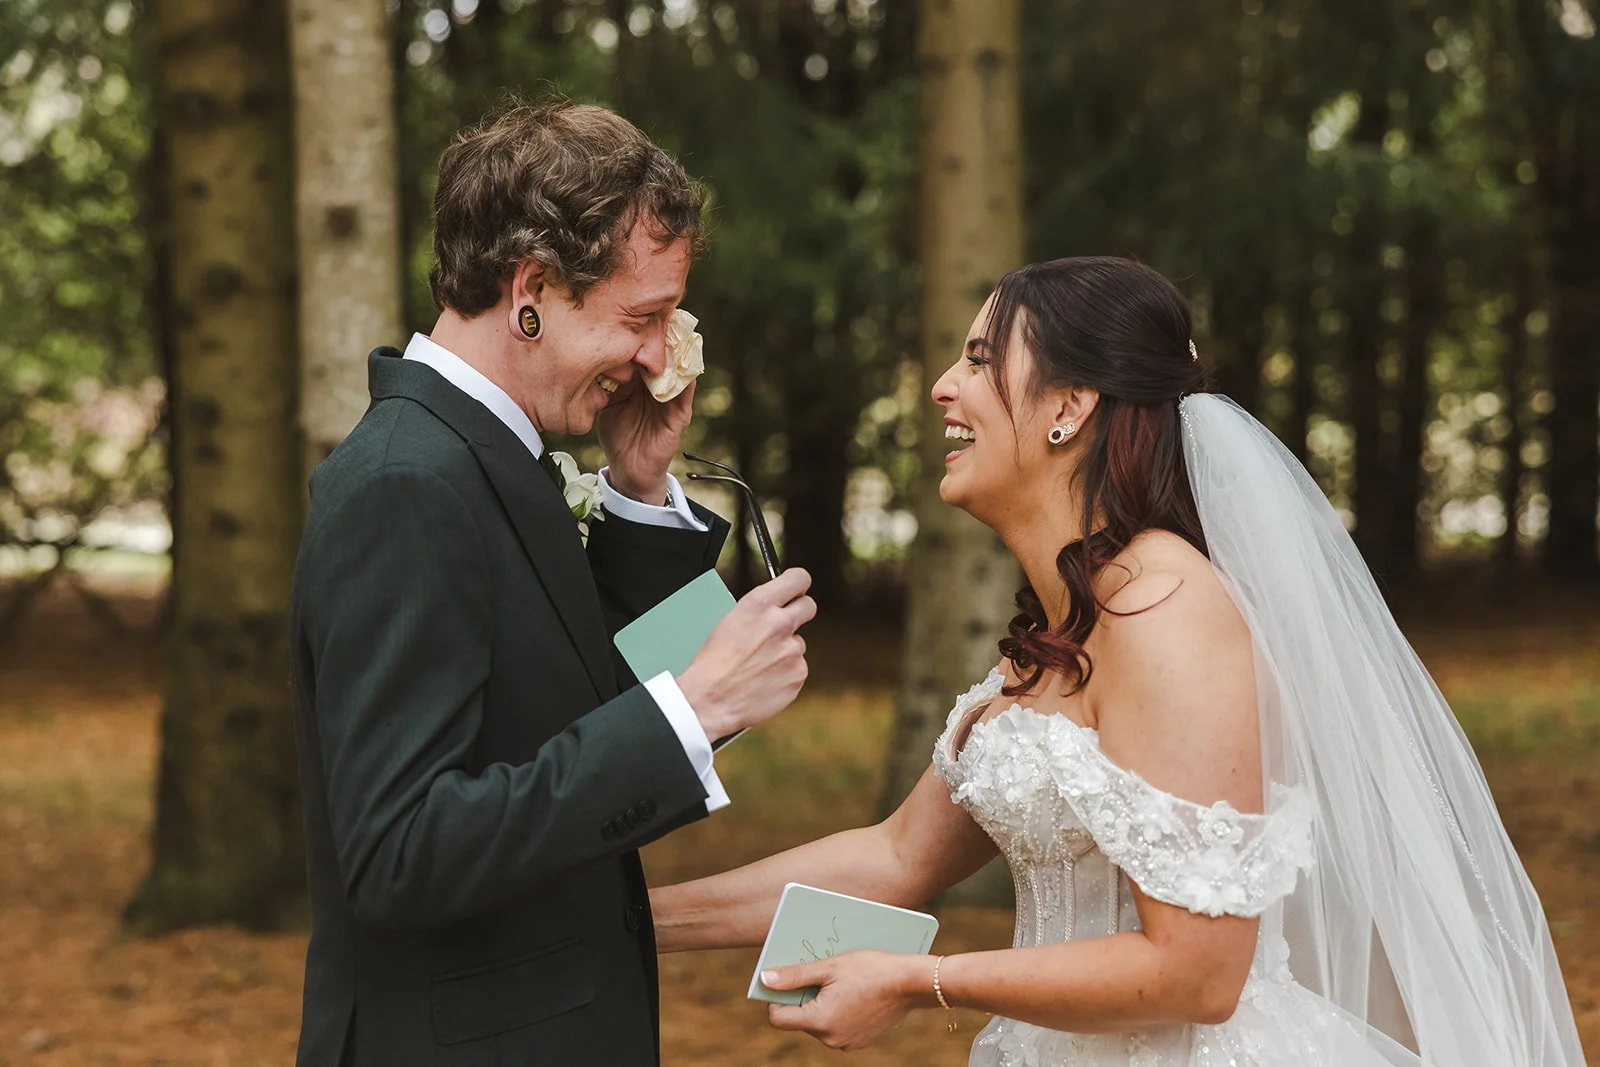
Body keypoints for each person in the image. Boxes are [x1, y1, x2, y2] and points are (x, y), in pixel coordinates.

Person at [650, 257, 1586, 1066]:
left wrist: (919, 978)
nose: (942, 386)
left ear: (1069, 406)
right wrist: (630, 918)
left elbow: (1199, 968)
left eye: (979, 359)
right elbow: (896, 857)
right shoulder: (1070, 619)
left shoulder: (1163, 607)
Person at [288, 98, 815, 1066]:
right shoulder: (407, 481)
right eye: (641, 317)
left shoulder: (490, 450)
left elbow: (563, 700)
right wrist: (685, 716)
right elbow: (399, 851)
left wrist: (640, 487)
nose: (660, 357)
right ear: (530, 288)